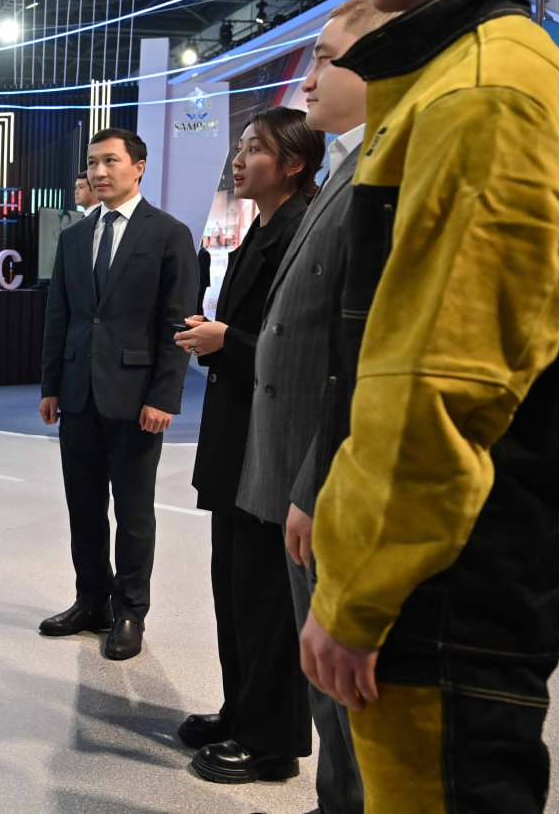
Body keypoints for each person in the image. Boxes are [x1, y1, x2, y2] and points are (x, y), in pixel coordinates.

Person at [297, 0, 559, 811]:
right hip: (434, 578)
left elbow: (441, 383)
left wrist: (357, 593)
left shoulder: (484, 86)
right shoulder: (457, 76)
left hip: (439, 596)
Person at [234, 0, 394, 814]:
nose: (307, 79)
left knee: (349, 693)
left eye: (327, 59)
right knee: (328, 690)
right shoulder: (349, 166)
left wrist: (312, 478)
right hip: (304, 464)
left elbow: (359, 357)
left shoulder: (383, 170)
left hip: (327, 471)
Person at [174, 107, 322, 784]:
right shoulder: (260, 228)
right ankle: (241, 712)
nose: (238, 160)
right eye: (238, 147)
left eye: (254, 148)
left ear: (293, 163)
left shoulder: (302, 231)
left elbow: (303, 353)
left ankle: (273, 742)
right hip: (235, 435)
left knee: (266, 599)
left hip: (272, 443)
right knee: (234, 590)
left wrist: (225, 340)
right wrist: (217, 338)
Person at [38, 127, 197, 660]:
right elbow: (59, 316)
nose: (99, 172)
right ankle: (91, 601)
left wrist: (164, 397)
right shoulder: (75, 236)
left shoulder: (168, 234)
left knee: (133, 513)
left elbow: (178, 323)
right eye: (92, 163)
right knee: (83, 508)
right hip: (78, 394)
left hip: (136, 398)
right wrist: (51, 385)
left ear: (139, 167)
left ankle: (130, 612)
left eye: (110, 161)